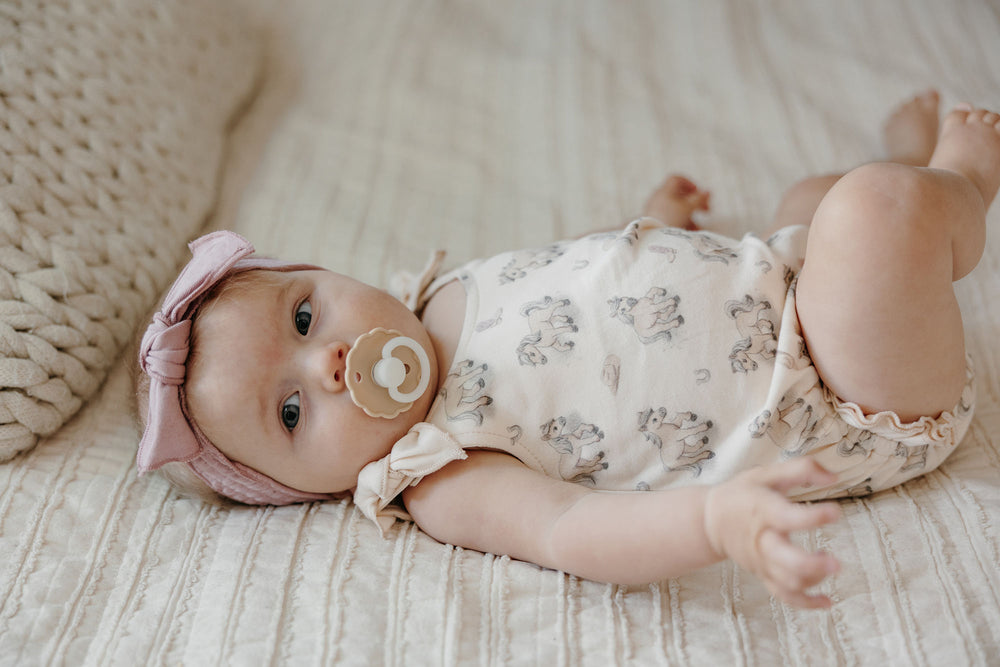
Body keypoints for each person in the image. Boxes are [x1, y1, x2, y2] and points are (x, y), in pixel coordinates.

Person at [133, 91, 997, 609]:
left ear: (325, 271)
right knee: (875, 213)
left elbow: (576, 278)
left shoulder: (441, 296)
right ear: (298, 492)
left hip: (786, 278)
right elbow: (574, 530)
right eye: (291, 412)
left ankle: (894, 166)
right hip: (849, 393)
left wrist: (652, 220)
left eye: (304, 316)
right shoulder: (445, 469)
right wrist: (714, 521)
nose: (326, 362)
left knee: (819, 200)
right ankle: (955, 182)